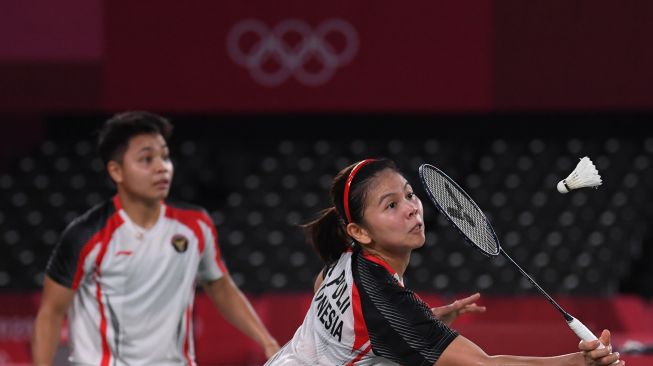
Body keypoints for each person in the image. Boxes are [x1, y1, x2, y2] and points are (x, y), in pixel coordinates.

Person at [265, 158, 624, 366]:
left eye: (408, 195)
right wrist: (576, 363)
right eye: (391, 205)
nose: (411, 208)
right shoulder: (384, 298)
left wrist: (425, 319)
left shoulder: (350, 259)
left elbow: (325, 292)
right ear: (360, 231)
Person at [32, 111, 280, 366]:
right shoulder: (86, 235)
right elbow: (51, 311)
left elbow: (219, 285)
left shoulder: (195, 225)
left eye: (164, 156)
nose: (162, 167)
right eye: (147, 159)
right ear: (116, 171)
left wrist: (267, 341)